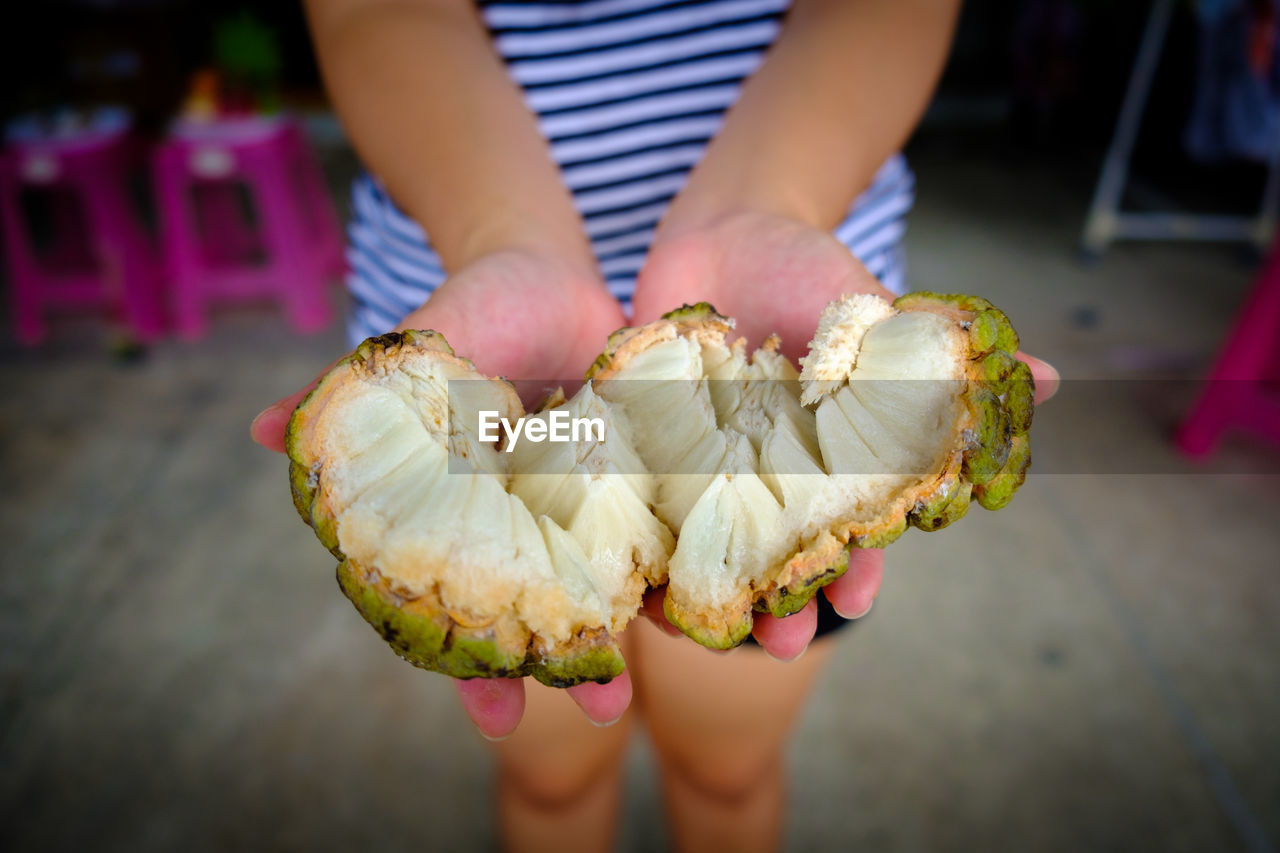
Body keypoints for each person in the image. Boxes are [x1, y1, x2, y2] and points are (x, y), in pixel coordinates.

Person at [251, 1, 1059, 850]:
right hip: (488, 338)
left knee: (728, 768)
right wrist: (504, 236)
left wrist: (762, 202)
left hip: (788, 283)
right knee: (549, 779)